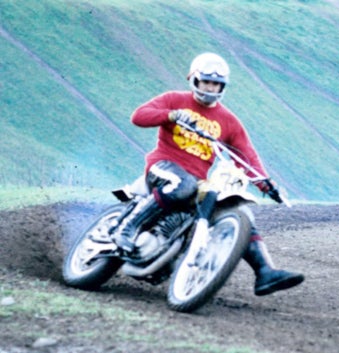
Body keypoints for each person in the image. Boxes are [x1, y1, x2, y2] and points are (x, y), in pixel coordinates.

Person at [112, 52, 304, 296]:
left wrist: (267, 185)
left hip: (196, 181)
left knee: (238, 212)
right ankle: (126, 227)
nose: (210, 87)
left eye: (216, 83)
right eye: (206, 82)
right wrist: (171, 115)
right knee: (184, 185)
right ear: (194, 80)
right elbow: (138, 116)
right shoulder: (174, 99)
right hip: (163, 166)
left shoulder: (229, 121)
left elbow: (247, 156)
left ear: (223, 86)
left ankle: (265, 272)